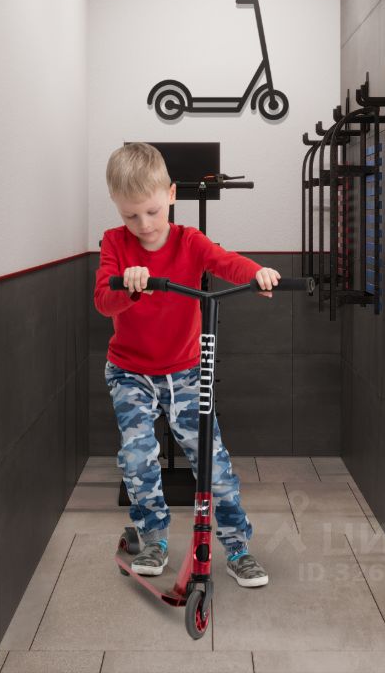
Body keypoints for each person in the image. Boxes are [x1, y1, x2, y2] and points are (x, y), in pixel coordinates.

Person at [94, 142, 280, 588]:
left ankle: (237, 548)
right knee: (137, 458)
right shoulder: (115, 243)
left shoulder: (189, 241)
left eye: (153, 211)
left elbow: (225, 261)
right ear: (117, 207)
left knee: (213, 464)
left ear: (172, 194)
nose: (144, 225)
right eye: (131, 216)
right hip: (130, 373)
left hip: (185, 371)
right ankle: (153, 539)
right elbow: (103, 301)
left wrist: (255, 273)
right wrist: (130, 287)